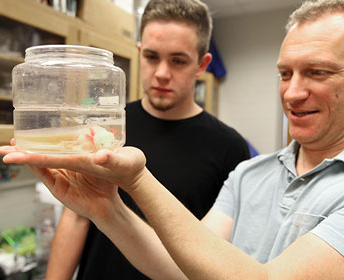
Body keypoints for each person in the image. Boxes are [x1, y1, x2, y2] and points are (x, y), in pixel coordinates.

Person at [0, 0, 344, 279]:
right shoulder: (250, 176)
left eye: (318, 71)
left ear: (201, 64)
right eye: (285, 73)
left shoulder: (230, 149)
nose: (293, 92)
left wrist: (135, 180)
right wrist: (109, 211)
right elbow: (184, 265)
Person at [40, 0, 250, 279]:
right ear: (139, 53)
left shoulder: (230, 147)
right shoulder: (104, 127)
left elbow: (217, 253)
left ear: (202, 64)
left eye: (177, 60)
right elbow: (77, 216)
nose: (162, 73)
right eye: (152, 57)